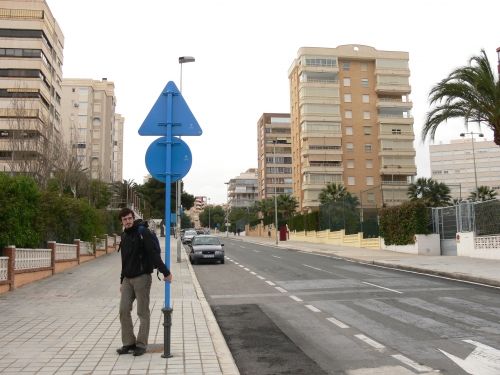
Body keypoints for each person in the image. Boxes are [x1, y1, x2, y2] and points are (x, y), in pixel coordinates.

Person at [116, 208, 173, 356]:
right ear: (121, 222)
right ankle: (128, 343)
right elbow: (124, 261)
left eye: (129, 218)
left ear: (133, 218)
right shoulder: (124, 236)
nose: (127, 221)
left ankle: (141, 344)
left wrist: (165, 272)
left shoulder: (143, 233)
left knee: (142, 312)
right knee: (123, 310)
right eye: (124, 219)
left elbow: (153, 254)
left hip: (142, 277)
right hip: (128, 279)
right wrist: (122, 281)